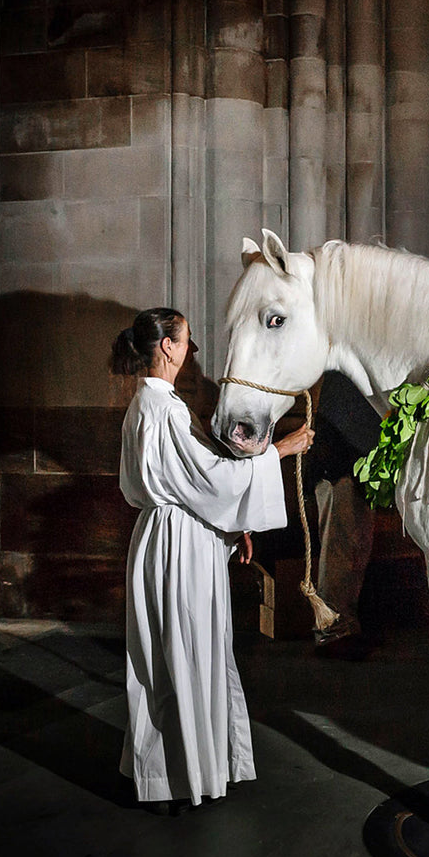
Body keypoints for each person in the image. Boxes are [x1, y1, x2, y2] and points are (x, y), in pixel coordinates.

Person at [110, 307, 314, 813]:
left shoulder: (150, 405)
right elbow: (213, 480)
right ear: (167, 347)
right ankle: (177, 777)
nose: (191, 351)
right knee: (183, 653)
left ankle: (177, 773)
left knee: (172, 657)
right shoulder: (163, 410)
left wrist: (231, 527)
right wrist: (280, 451)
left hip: (172, 538)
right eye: (187, 341)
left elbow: (196, 480)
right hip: (179, 545)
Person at [309, 370, 383, 659]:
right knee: (339, 551)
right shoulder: (343, 381)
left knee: (351, 550)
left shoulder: (347, 380)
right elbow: (350, 425)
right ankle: (332, 632)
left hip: (349, 469)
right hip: (339, 472)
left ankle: (344, 627)